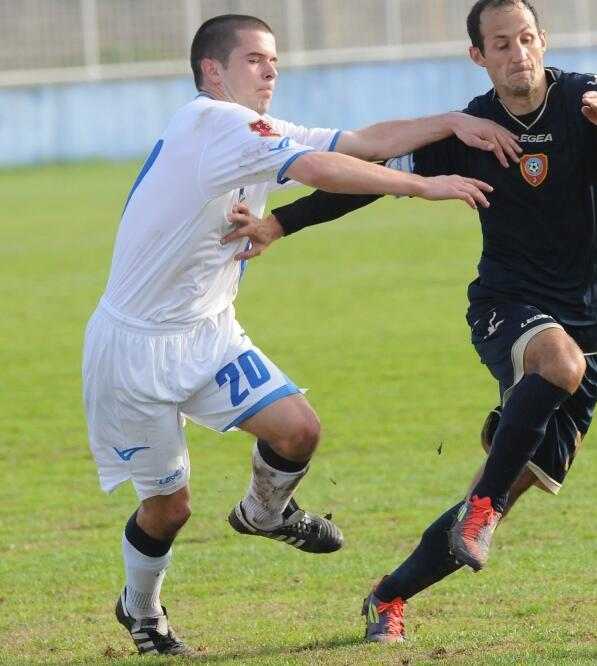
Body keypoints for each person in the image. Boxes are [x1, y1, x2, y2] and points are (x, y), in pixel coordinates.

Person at [222, 0, 597, 644]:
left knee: (506, 476)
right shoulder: (473, 130)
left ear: (543, 41)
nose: (517, 54)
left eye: (526, 39)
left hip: (593, 335)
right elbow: (369, 177)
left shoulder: (588, 101)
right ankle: (486, 501)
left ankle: (388, 595)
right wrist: (280, 221)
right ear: (480, 56)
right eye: (501, 44)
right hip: (507, 307)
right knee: (557, 368)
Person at [82, 13, 522, 656]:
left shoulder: (253, 129)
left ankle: (263, 514)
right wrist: (422, 184)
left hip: (206, 334)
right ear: (213, 71)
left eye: (275, 59)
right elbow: (321, 168)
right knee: (169, 511)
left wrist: (452, 122)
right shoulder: (213, 122)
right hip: (133, 352)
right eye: (256, 59)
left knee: (298, 430)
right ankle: (141, 609)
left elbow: (363, 140)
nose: (271, 70)